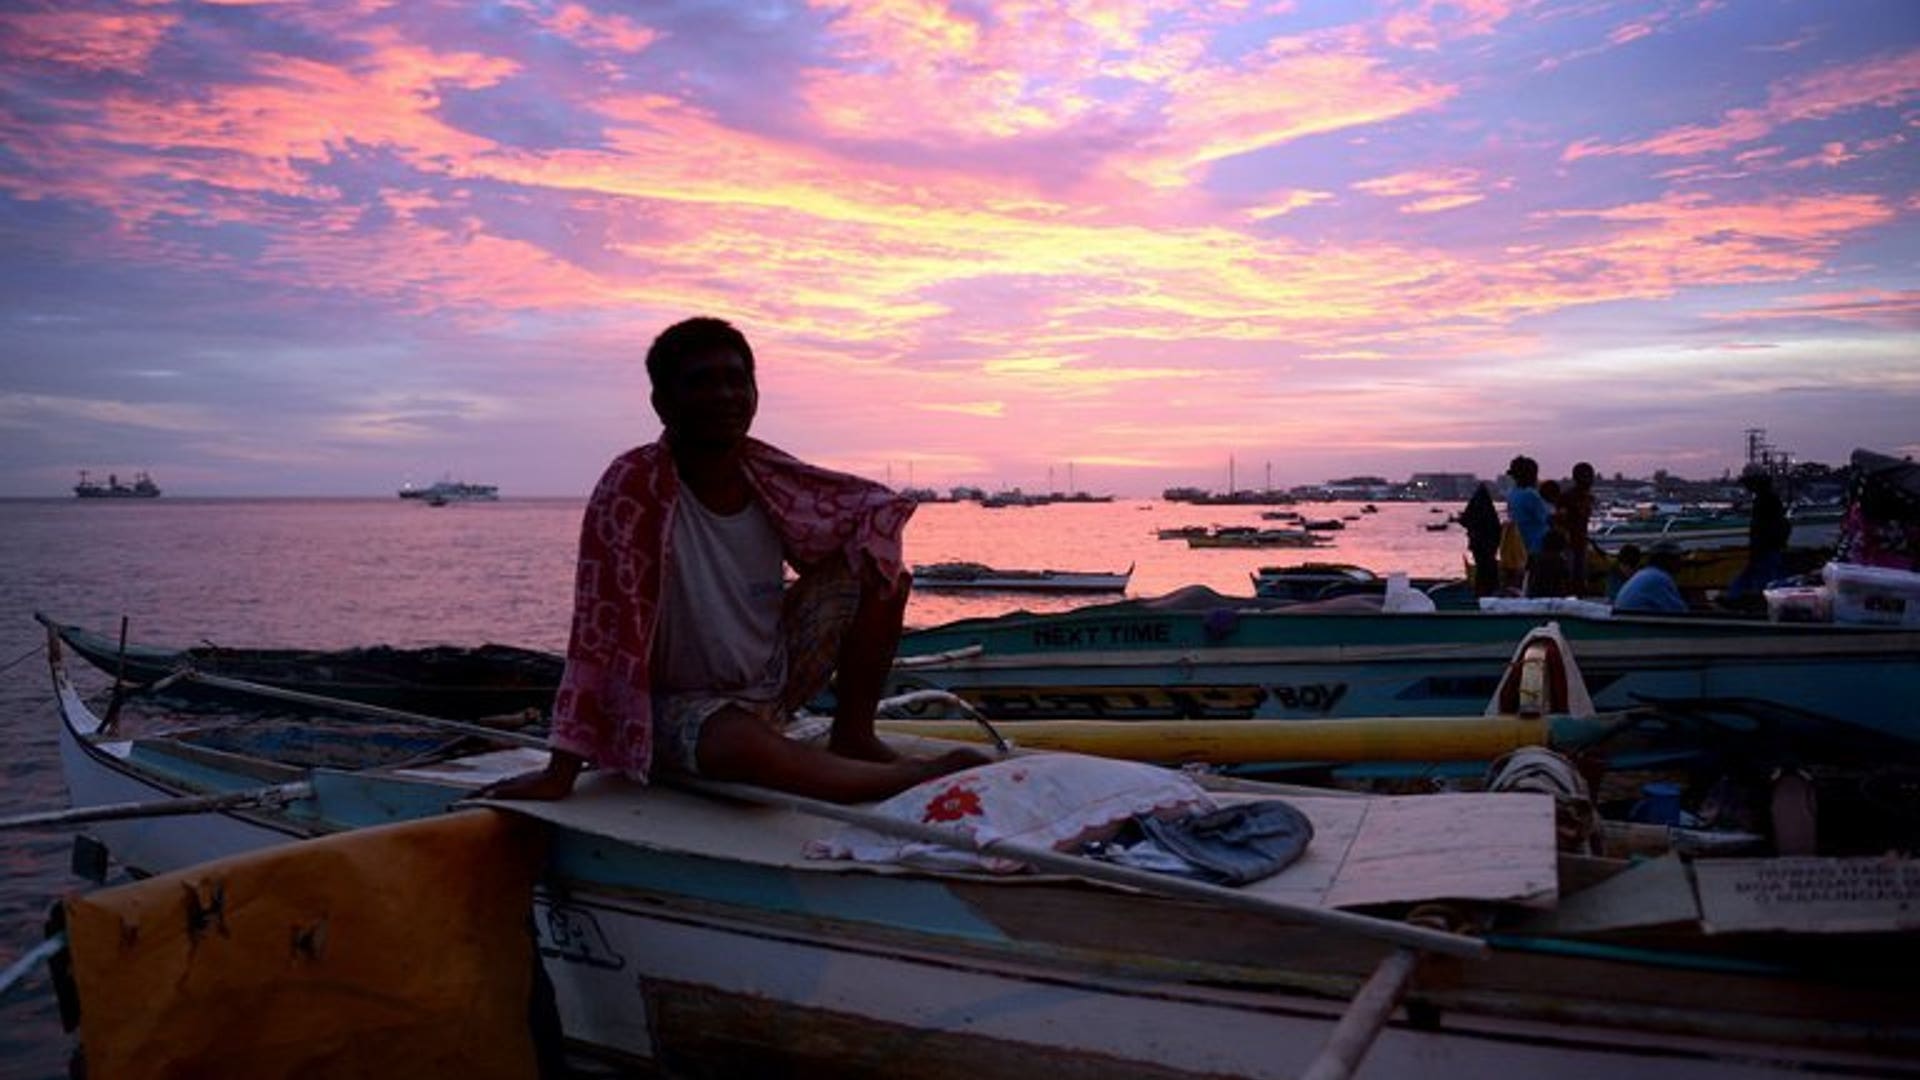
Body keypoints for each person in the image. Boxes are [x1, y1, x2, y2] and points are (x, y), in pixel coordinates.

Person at [482, 316, 987, 804]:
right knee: (735, 743)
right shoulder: (634, 487)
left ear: (755, 395)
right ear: (662, 403)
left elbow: (865, 518)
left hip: (771, 683)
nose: (724, 395)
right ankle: (906, 781)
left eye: (735, 380)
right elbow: (599, 629)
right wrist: (561, 770)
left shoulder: (771, 478)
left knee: (881, 574)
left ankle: (853, 736)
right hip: (676, 705)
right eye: (701, 383)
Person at [1724, 466, 1790, 603]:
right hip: (1766, 549)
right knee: (1757, 581)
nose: (1746, 486)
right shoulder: (1767, 499)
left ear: (1755, 482)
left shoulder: (1766, 500)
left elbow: (1768, 528)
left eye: (1748, 483)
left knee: (1761, 583)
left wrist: (1760, 547)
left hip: (1765, 550)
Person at [1504, 455, 1552, 594]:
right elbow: (1546, 518)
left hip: (1522, 544)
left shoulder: (1512, 494)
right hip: (1538, 545)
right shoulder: (1531, 495)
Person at [1613, 540, 1688, 613]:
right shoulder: (1659, 578)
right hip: (1636, 624)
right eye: (1677, 557)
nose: (1681, 561)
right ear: (1666, 559)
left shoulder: (1646, 574)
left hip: (1627, 623)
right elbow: (1679, 612)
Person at [1560, 463, 1598, 595]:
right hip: (1569, 544)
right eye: (1588, 476)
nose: (1591, 480)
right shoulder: (1567, 497)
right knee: (1571, 579)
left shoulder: (1588, 497)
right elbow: (1561, 521)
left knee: (1580, 578)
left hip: (1581, 542)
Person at [1460, 483, 1502, 597]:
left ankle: (1482, 593)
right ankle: (1488, 592)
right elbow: (1497, 530)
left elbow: (1464, 520)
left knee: (1482, 569)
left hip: (1479, 545)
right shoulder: (1488, 510)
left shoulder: (1476, 506)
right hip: (1486, 546)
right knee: (1487, 568)